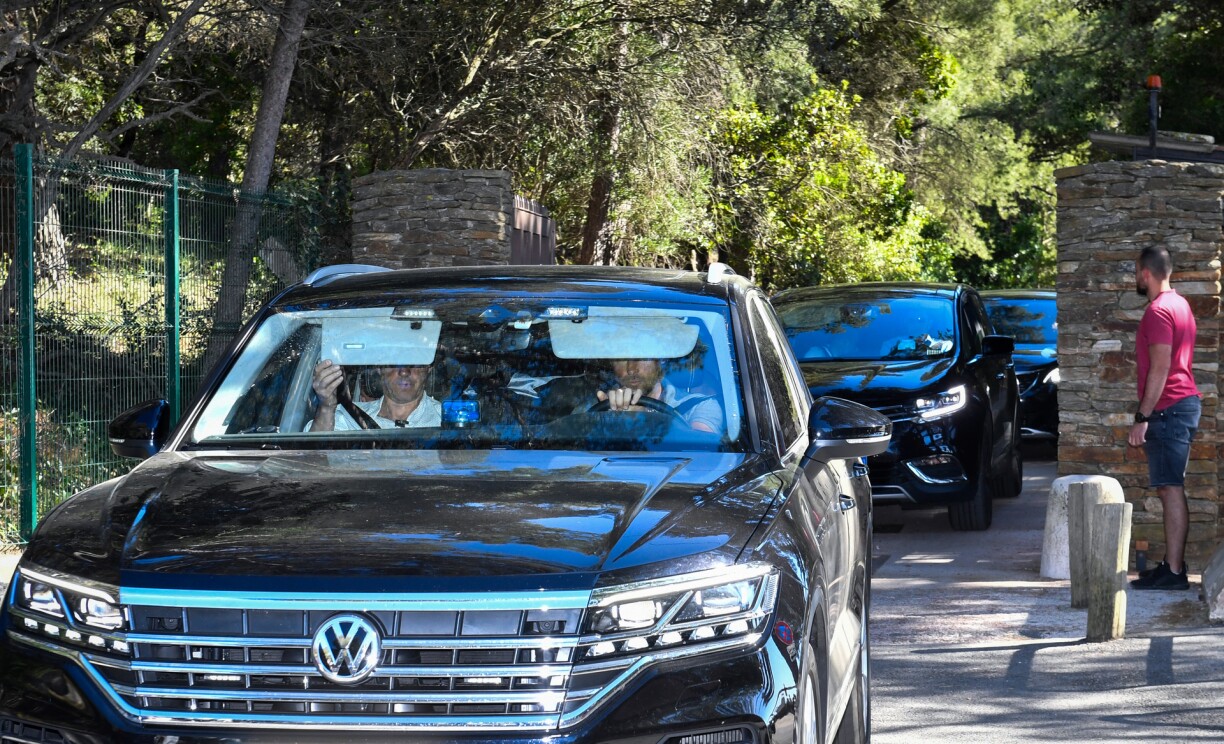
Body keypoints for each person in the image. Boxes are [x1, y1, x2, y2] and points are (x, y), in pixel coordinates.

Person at [1127, 245, 1201, 591]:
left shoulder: (1158, 311)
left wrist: (1142, 416)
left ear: (1146, 273)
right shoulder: (1180, 304)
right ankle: (1171, 566)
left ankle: (1173, 572)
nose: (1135, 277)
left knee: (1171, 489)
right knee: (1169, 486)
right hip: (1178, 405)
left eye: (1136, 271)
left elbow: (1160, 368)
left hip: (1169, 408)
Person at [310, 359, 442, 431]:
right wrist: (327, 406)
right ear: (379, 368)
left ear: (429, 368)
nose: (404, 372)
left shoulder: (447, 421)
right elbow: (313, 462)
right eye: (395, 360)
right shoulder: (347, 417)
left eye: (416, 361)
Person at [597, 359, 722, 434]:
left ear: (660, 362)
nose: (631, 369)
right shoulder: (599, 406)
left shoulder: (699, 405)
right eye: (622, 359)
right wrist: (605, 420)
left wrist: (641, 419)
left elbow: (702, 453)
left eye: (641, 356)